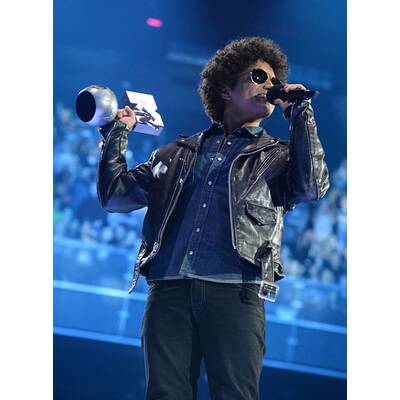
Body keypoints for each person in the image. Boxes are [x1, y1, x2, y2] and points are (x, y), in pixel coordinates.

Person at [97, 37, 329, 400]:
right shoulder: (174, 153)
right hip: (169, 290)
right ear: (225, 90)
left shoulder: (279, 157)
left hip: (237, 292)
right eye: (258, 77)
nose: (270, 86)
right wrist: (117, 134)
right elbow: (114, 196)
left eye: (274, 81)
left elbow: (313, 186)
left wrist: (300, 113)